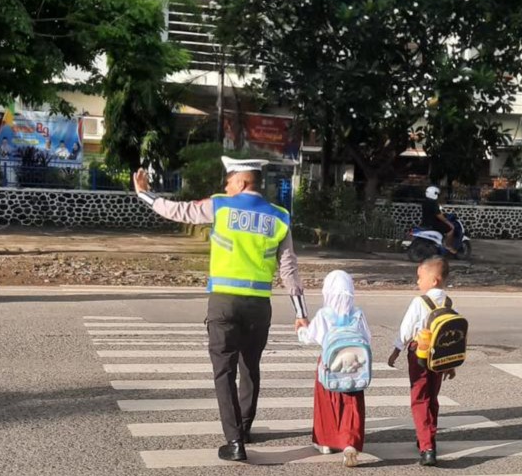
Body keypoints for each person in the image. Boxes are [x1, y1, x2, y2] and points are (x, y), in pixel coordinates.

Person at [133, 156, 310, 462]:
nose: (225, 187)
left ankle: (235, 442)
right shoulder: (280, 217)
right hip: (259, 306)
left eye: (228, 182)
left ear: (241, 181)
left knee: (224, 372)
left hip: (224, 303)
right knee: (250, 367)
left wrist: (144, 194)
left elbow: (178, 210)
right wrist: (301, 313)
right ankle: (245, 428)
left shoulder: (220, 206)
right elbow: (289, 269)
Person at [387, 256, 456, 467]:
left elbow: (406, 329)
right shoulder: (448, 302)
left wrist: (396, 350)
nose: (418, 281)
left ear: (434, 280)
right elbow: (450, 334)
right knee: (432, 398)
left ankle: (427, 447)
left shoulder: (419, 301)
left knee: (419, 398)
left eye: (420, 277)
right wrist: (450, 363)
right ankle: (426, 436)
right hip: (440, 356)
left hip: (420, 355)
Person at [298, 270, 370, 468]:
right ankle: (350, 443)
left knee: (327, 404)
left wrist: (301, 328)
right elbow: (367, 338)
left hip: (329, 365)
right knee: (352, 404)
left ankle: (326, 443)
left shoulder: (324, 314)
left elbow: (309, 337)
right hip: (354, 366)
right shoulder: (357, 314)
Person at [421, 186, 456, 253]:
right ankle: (447, 246)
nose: (438, 196)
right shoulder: (433, 203)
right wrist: (448, 222)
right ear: (433, 194)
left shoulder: (425, 202)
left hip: (425, 223)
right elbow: (439, 216)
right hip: (433, 224)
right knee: (451, 229)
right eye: (437, 194)